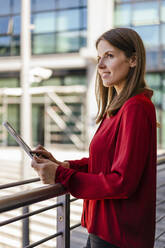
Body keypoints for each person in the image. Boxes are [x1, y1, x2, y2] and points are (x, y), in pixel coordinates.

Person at [31, 28, 157, 248]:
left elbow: (123, 181)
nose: (100, 66)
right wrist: (64, 165)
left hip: (119, 236)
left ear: (133, 60)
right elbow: (106, 164)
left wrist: (61, 174)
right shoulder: (118, 108)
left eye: (109, 56)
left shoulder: (136, 107)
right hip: (104, 228)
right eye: (99, 58)